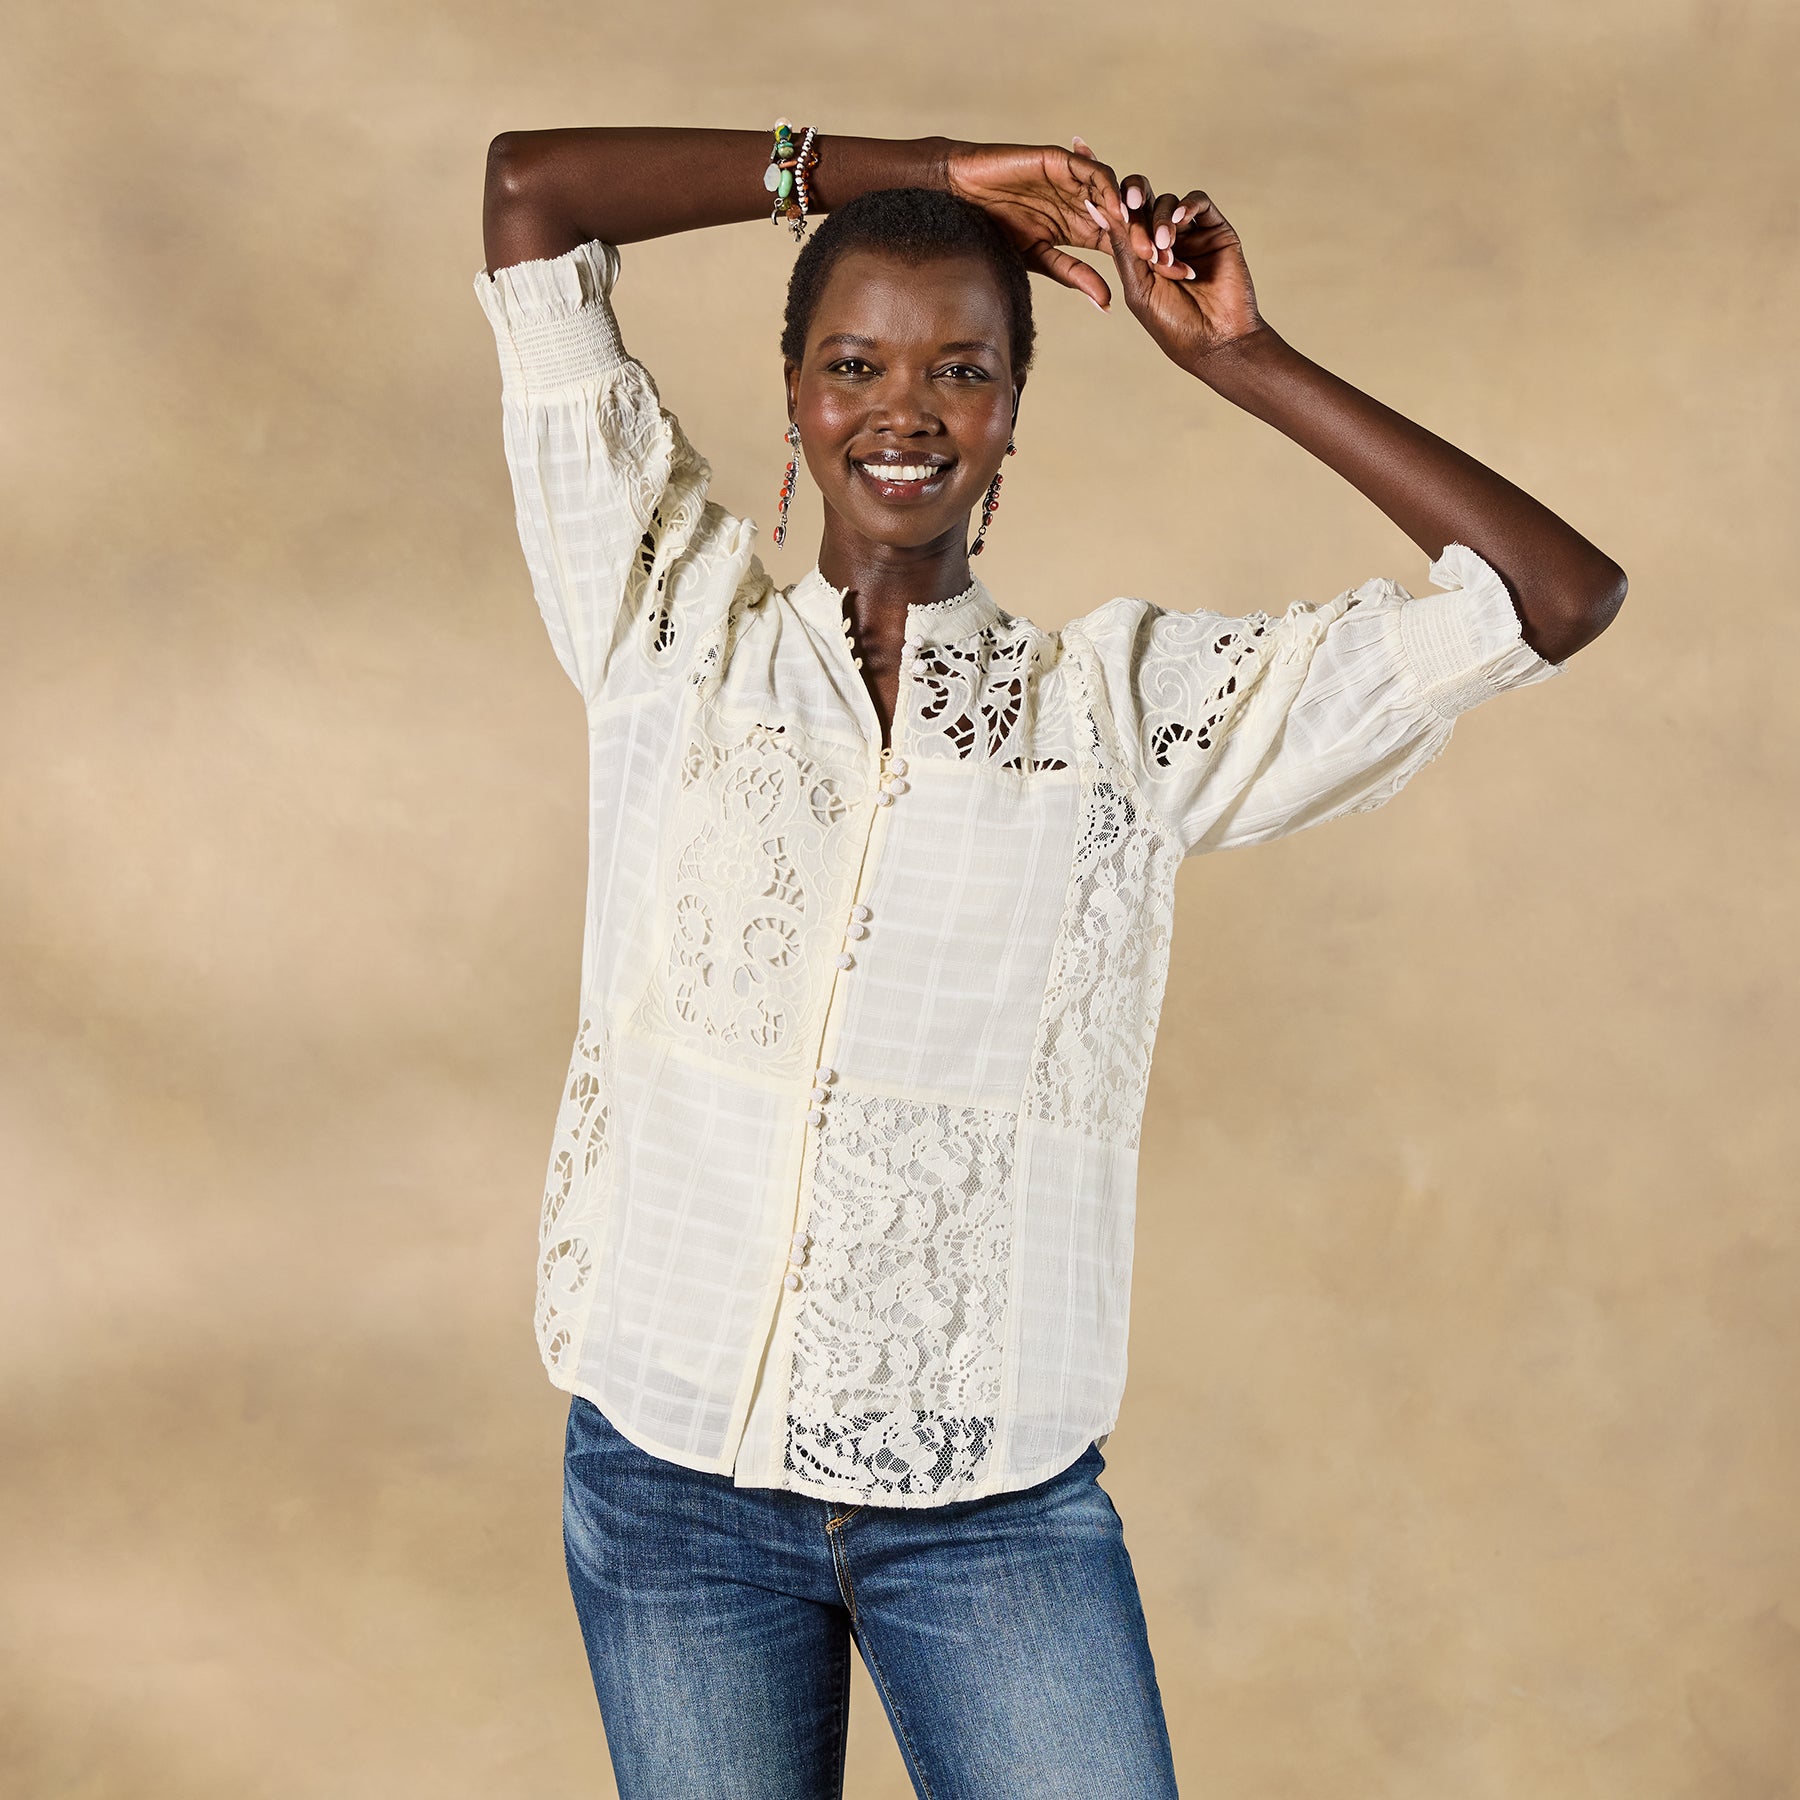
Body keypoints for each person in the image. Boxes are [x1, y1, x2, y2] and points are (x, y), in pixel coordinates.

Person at [473, 123, 1624, 1800]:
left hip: (988, 1512)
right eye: (855, 364)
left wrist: (1241, 360)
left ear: (1016, 408)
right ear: (793, 392)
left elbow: (1550, 596)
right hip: (664, 1484)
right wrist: (924, 169)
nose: (906, 410)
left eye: (964, 369)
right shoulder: (669, 631)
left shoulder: (1123, 719)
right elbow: (533, 196)